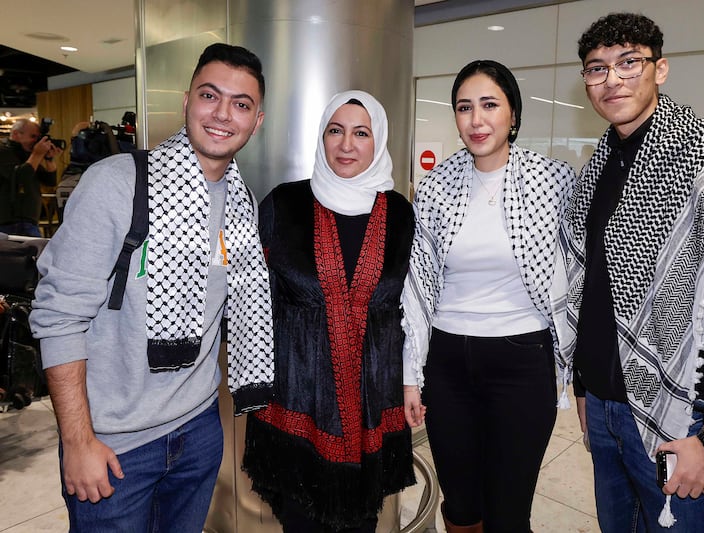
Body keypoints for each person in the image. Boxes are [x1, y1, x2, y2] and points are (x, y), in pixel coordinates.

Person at [29, 42, 272, 532]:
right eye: (210, 96)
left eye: (240, 104)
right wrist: (78, 442)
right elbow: (58, 316)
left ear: (257, 120)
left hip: (199, 431)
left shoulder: (242, 201)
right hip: (115, 446)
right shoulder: (117, 183)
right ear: (185, 102)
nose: (223, 114)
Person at [563, 12, 704, 532]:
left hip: (684, 414)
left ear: (659, 69)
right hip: (603, 403)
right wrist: (583, 388)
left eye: (628, 62)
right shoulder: (600, 162)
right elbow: (592, 286)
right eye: (597, 69)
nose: (612, 79)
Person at [402, 60, 576, 532]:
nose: (476, 120)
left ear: (513, 114)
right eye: (464, 107)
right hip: (448, 363)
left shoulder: (555, 181)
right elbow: (417, 286)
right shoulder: (436, 186)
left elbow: (581, 276)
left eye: (489, 105)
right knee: (460, 504)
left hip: (522, 361)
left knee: (508, 509)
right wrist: (410, 374)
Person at [238, 90, 416, 532]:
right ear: (321, 137)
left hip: (373, 405)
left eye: (361, 133)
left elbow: (413, 309)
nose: (346, 145)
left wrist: (415, 380)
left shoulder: (400, 214)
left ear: (380, 141)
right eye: (335, 131)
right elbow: (248, 299)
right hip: (297, 401)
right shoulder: (283, 205)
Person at [0, 119, 62, 236]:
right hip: (8, 222)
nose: (35, 141)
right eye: (33, 136)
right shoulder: (3, 151)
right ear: (16, 134)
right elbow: (19, 178)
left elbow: (50, 181)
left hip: (29, 221)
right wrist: (37, 154)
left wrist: (48, 159)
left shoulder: (29, 155)